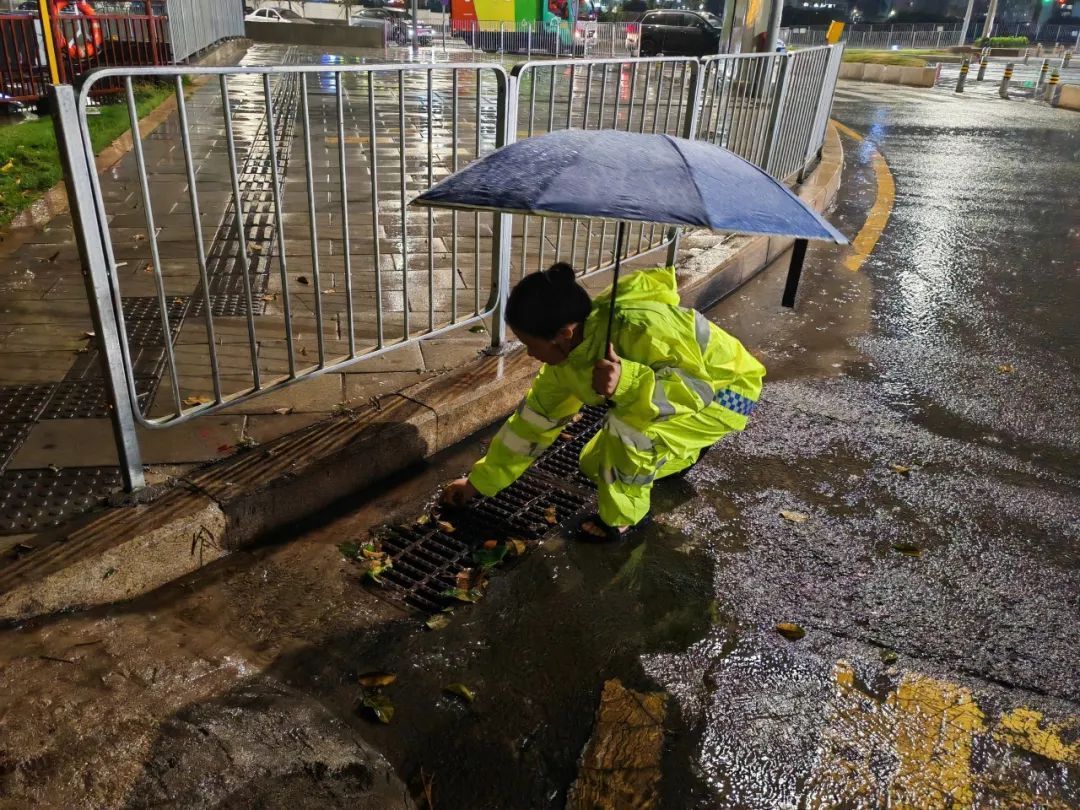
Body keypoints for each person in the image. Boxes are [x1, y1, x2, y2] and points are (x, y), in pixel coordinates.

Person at [441, 262, 765, 540]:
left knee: (627, 430)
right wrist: (477, 483)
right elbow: (532, 424)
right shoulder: (569, 358)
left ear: (564, 334)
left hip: (726, 396)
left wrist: (626, 382)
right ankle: (683, 452)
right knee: (593, 465)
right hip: (682, 397)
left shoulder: (638, 328)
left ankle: (625, 519)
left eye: (532, 344)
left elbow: (695, 389)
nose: (530, 353)